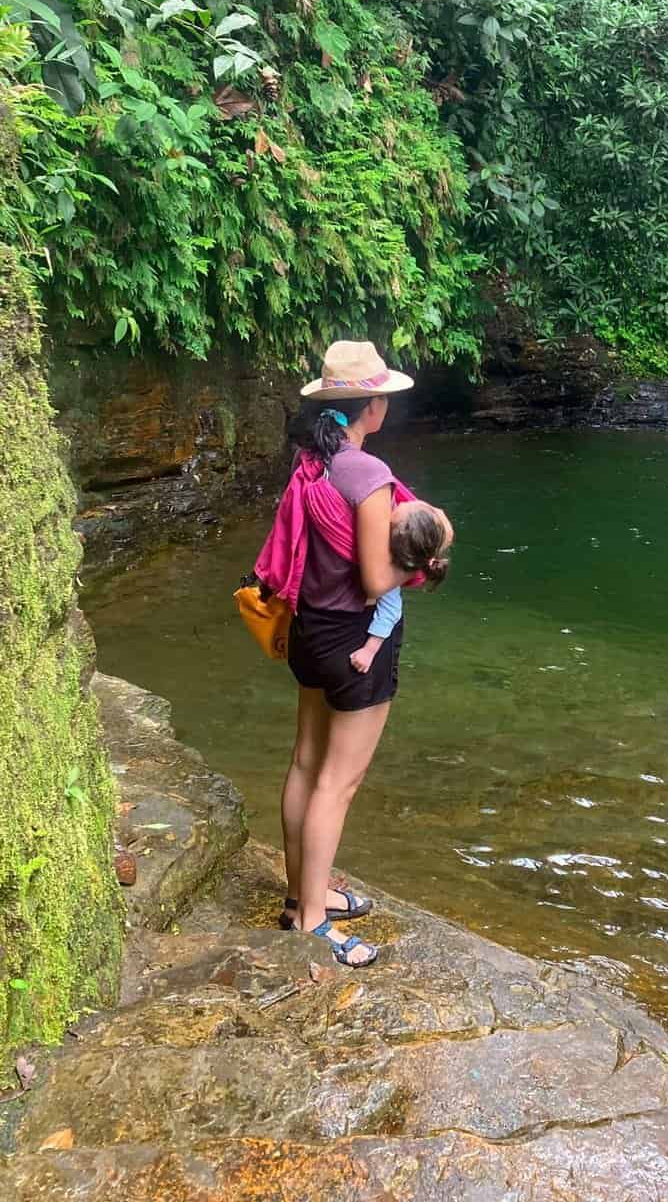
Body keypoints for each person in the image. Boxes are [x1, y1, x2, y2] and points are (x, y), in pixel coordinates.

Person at [266, 340, 453, 967]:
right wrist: (428, 554)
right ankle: (315, 923)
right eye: (384, 399)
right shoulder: (367, 475)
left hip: (308, 631)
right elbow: (376, 580)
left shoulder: (311, 461)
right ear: (372, 406)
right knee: (338, 783)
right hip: (354, 642)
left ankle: (301, 898)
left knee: (304, 764)